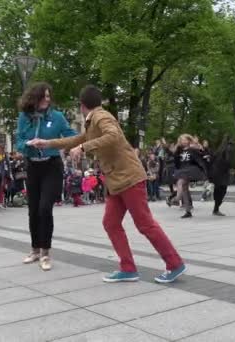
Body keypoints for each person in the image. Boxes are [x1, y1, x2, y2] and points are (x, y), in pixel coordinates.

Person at [29, 85, 186, 283]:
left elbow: (113, 136)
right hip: (116, 181)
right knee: (111, 223)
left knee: (145, 224)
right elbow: (76, 138)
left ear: (81, 105)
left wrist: (83, 147)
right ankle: (128, 268)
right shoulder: (92, 121)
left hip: (129, 178)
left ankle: (175, 263)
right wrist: (48, 143)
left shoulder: (101, 117)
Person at [16, 82, 77, 271]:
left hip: (52, 166)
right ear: (34, 98)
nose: (47, 99)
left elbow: (71, 135)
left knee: (44, 208)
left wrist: (74, 145)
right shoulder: (24, 118)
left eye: (49, 96)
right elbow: (18, 142)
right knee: (33, 210)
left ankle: (45, 253)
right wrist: (28, 143)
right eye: (44, 96)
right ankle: (34, 250)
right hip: (32, 166)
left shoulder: (57, 117)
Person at [171, 134, 207, 218]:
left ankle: (177, 199)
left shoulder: (192, 149)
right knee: (185, 190)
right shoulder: (179, 151)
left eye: (184, 139)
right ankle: (188, 211)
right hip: (182, 170)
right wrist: (176, 147)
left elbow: (201, 156)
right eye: (181, 140)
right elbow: (176, 161)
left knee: (180, 182)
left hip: (191, 170)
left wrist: (201, 149)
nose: (183, 141)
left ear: (188, 140)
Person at [209, 135, 231, 216]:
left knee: (219, 190)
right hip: (221, 173)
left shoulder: (218, 150)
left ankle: (216, 207)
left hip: (219, 173)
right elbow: (227, 161)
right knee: (221, 190)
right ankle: (216, 208)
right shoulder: (225, 149)